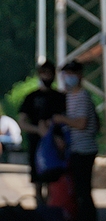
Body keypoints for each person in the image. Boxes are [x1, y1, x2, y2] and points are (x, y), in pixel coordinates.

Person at [52, 60, 101, 221]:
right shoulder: (68, 97)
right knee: (77, 193)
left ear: (80, 75)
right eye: (65, 74)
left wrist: (62, 119)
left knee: (83, 193)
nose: (68, 78)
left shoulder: (82, 96)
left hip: (84, 150)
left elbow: (82, 123)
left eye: (71, 73)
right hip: (74, 150)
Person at [18, 61, 66, 200]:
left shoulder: (60, 97)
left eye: (49, 73)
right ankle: (40, 211)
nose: (46, 77)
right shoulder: (31, 97)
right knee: (38, 181)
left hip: (56, 143)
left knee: (54, 181)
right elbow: (22, 122)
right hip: (36, 144)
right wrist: (38, 130)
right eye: (44, 73)